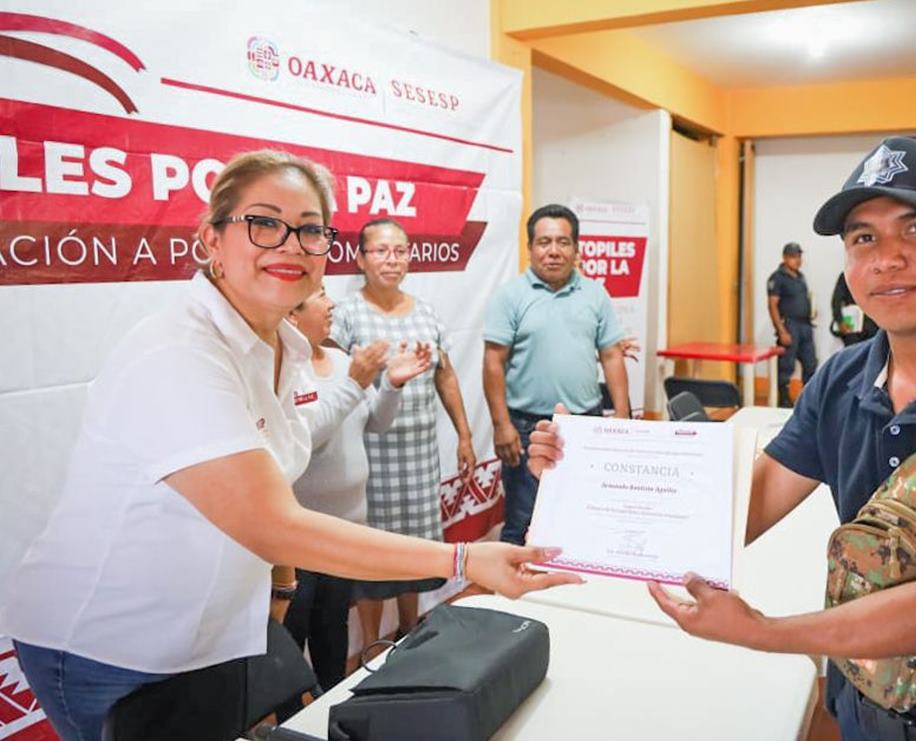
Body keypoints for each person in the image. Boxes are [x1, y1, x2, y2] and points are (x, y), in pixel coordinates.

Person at [531, 137, 916, 739]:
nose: (887, 259)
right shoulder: (842, 378)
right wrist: (585, 484)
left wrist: (764, 633)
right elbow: (742, 510)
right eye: (864, 238)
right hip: (861, 704)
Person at [0, 150, 577, 741]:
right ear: (211, 241)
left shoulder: (281, 350)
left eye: (309, 229)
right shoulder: (180, 352)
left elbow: (275, 475)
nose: (290, 244)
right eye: (264, 222)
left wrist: (277, 589)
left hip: (211, 634)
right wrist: (460, 560)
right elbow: (273, 522)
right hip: (112, 649)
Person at [279, 284, 432, 708]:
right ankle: (292, 720)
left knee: (332, 628)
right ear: (292, 316)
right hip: (301, 535)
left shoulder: (342, 361)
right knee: (291, 638)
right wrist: (354, 383)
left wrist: (391, 387)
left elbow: (374, 424)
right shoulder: (282, 371)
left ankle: (332, 709)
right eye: (320, 297)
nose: (332, 304)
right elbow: (302, 442)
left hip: (346, 527)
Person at [330, 217, 476, 650]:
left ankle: (410, 632)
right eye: (381, 251)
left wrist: (465, 435)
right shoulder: (347, 316)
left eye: (400, 251)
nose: (392, 260)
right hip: (370, 456)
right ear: (361, 258)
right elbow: (336, 384)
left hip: (418, 457)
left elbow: (446, 378)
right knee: (373, 553)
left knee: (415, 549)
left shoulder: (426, 311)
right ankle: (372, 644)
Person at [484, 203, 630, 546]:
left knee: (585, 516)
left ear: (576, 248)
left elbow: (611, 354)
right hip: (526, 427)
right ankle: (508, 600)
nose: (553, 252)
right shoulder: (510, 296)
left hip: (586, 423)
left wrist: (622, 413)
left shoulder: (595, 293)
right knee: (523, 521)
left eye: (563, 242)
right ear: (530, 248)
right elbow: (493, 361)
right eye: (544, 242)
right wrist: (501, 424)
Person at [767, 242, 818, 406]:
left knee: (811, 363)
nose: (797, 260)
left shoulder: (800, 276)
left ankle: (807, 401)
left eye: (799, 256)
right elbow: (772, 305)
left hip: (805, 326)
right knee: (786, 366)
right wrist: (781, 331)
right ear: (785, 257)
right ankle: (783, 400)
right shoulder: (777, 278)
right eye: (793, 256)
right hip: (789, 325)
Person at [829, 271, 878, 346]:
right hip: (855, 325)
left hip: (866, 325)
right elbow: (837, 301)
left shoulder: (847, 275)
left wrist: (840, 321)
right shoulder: (847, 275)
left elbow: (836, 301)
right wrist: (840, 322)